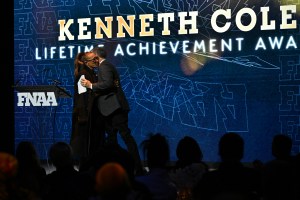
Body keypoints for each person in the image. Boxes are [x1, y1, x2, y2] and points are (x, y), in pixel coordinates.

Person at [80, 47, 144, 175]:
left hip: (115, 109)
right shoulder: (104, 67)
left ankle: (138, 167)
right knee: (112, 140)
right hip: (109, 110)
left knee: (126, 137)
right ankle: (117, 168)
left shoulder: (104, 66)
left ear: (97, 56)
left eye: (93, 56)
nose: (93, 59)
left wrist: (90, 85)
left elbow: (108, 83)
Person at [70, 52, 103, 167]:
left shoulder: (92, 73)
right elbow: (81, 97)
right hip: (85, 116)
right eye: (93, 59)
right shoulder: (83, 75)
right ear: (86, 62)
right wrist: (83, 116)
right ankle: (85, 169)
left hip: (92, 113)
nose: (96, 60)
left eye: (96, 58)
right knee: (85, 146)